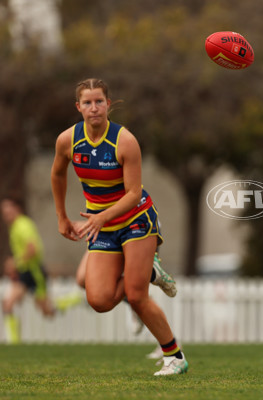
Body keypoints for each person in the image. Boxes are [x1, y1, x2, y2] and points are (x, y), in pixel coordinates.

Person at [50, 78, 186, 376]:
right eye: (87, 102)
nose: (94, 108)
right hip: (102, 225)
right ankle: (151, 271)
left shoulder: (124, 141)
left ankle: (174, 356)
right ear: (78, 107)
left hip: (135, 219)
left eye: (99, 101)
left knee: (137, 296)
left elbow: (134, 194)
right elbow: (58, 174)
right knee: (98, 299)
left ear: (108, 104)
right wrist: (61, 216)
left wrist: (101, 217)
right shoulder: (67, 140)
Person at [1, 197, 57, 343]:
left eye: (9, 211)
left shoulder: (23, 225)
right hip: (24, 272)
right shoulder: (13, 227)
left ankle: (72, 301)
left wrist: (15, 262)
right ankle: (14, 343)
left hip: (34, 271)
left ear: (17, 209)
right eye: (4, 212)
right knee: (8, 303)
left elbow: (32, 249)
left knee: (47, 311)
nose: (6, 215)